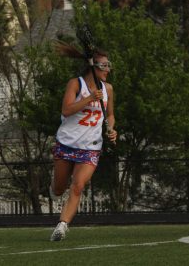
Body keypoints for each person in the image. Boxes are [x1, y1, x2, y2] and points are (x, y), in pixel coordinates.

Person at [49, 43, 117, 241]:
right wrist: (89, 99)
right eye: (104, 66)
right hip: (67, 143)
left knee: (78, 185)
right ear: (93, 67)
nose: (108, 70)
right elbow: (66, 110)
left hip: (90, 146)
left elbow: (110, 115)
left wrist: (111, 129)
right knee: (60, 188)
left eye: (108, 65)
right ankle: (53, 187)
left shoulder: (108, 90)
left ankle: (62, 226)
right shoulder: (76, 84)